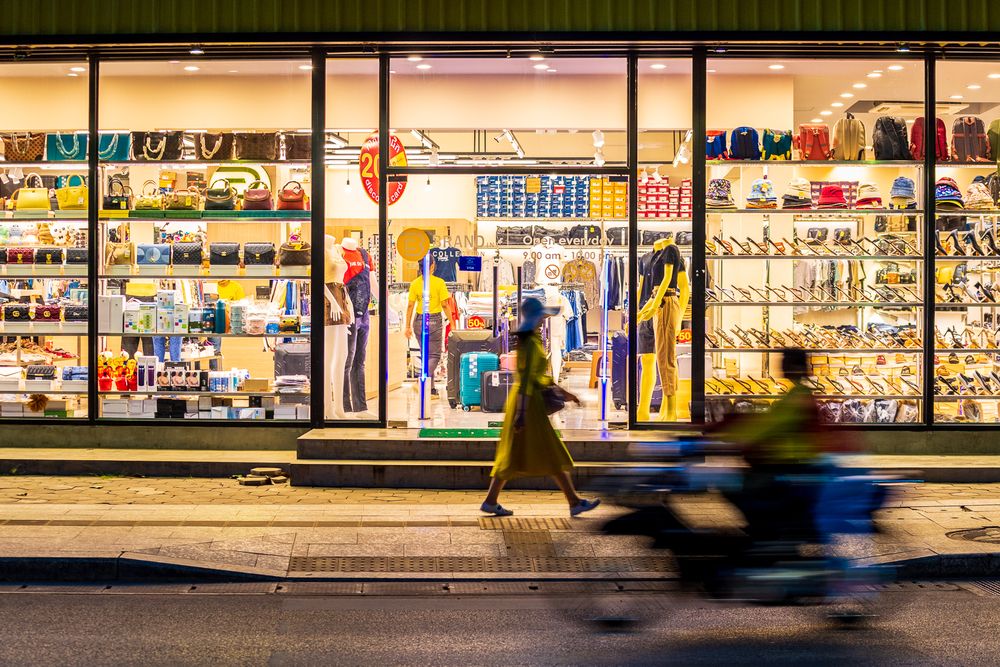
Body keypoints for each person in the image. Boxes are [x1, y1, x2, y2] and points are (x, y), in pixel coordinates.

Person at [481, 297, 600, 518]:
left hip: (525, 403)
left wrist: (566, 394)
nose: (545, 319)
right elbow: (527, 380)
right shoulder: (530, 343)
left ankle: (491, 500)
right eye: (543, 315)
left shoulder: (530, 341)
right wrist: (522, 414)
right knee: (548, 452)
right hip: (528, 405)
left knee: (515, 453)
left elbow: (536, 377)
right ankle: (574, 502)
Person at [713, 347, 828, 543]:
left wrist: (734, 433)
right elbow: (771, 422)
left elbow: (770, 425)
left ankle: (762, 532)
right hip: (788, 459)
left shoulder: (798, 397)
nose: (782, 365)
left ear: (796, 367)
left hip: (789, 462)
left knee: (735, 485)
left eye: (787, 361)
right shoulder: (798, 393)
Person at [404, 257, 457, 396]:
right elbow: (445, 304)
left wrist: (407, 326)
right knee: (434, 355)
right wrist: (452, 322)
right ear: (432, 266)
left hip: (419, 320)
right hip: (434, 320)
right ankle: (421, 381)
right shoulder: (439, 282)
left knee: (426, 355)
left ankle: (430, 390)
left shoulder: (415, 283)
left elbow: (410, 305)